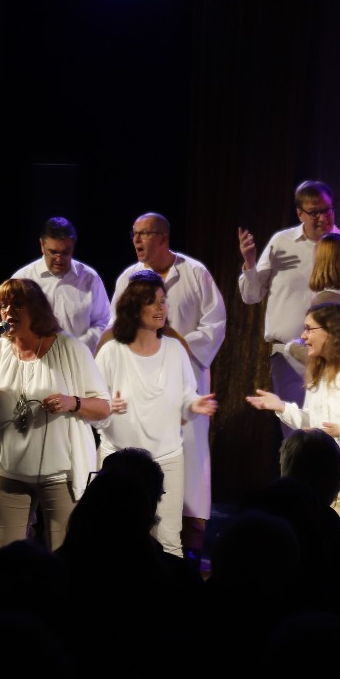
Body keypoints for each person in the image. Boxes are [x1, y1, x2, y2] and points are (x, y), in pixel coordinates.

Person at [109, 212, 228, 557]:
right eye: (134, 234)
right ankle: (138, 529)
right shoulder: (127, 278)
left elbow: (215, 324)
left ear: (163, 237)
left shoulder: (194, 273)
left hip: (185, 379)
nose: (137, 240)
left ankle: (188, 538)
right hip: (140, 378)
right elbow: (116, 326)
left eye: (144, 234)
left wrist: (177, 345)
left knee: (188, 453)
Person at [0, 278, 110, 551]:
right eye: (3, 306)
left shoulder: (70, 348)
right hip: (8, 472)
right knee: (6, 559)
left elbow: (104, 407)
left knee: (65, 555)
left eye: (17, 304)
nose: (9, 311)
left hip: (59, 475)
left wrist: (72, 402)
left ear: (36, 308)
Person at [95, 271, 218, 557]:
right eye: (152, 302)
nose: (161, 308)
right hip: (119, 459)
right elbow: (93, 406)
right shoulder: (111, 352)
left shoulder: (175, 349)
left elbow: (186, 395)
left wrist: (194, 405)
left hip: (167, 457)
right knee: (116, 537)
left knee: (169, 539)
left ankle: (168, 585)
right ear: (134, 308)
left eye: (163, 301)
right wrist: (107, 407)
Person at [247, 303, 340, 536]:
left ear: (331, 331)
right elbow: (314, 424)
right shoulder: (321, 369)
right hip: (323, 481)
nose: (303, 336)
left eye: (309, 329)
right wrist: (281, 407)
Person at [237, 179, 340, 405]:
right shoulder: (281, 242)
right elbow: (251, 295)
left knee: (331, 423)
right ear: (300, 213)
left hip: (336, 359)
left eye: (328, 210)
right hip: (289, 356)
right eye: (315, 213)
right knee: (294, 421)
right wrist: (250, 263)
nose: (323, 218)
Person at [10, 216, 111, 350]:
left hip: (79, 358)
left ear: (73, 247)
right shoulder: (22, 279)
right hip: (36, 357)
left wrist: (77, 347)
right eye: (53, 252)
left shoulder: (89, 278)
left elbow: (104, 321)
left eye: (65, 252)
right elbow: (9, 322)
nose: (59, 259)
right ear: (42, 245)